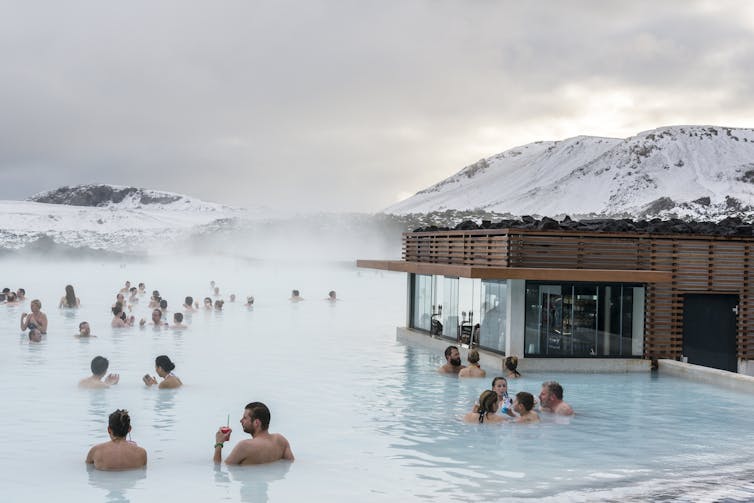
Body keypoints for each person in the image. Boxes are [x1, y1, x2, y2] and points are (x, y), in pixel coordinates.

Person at [213, 402, 294, 465]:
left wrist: (219, 444)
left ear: (256, 423)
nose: (241, 421)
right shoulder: (280, 440)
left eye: (245, 418)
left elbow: (219, 467)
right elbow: (290, 463)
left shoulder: (244, 446)